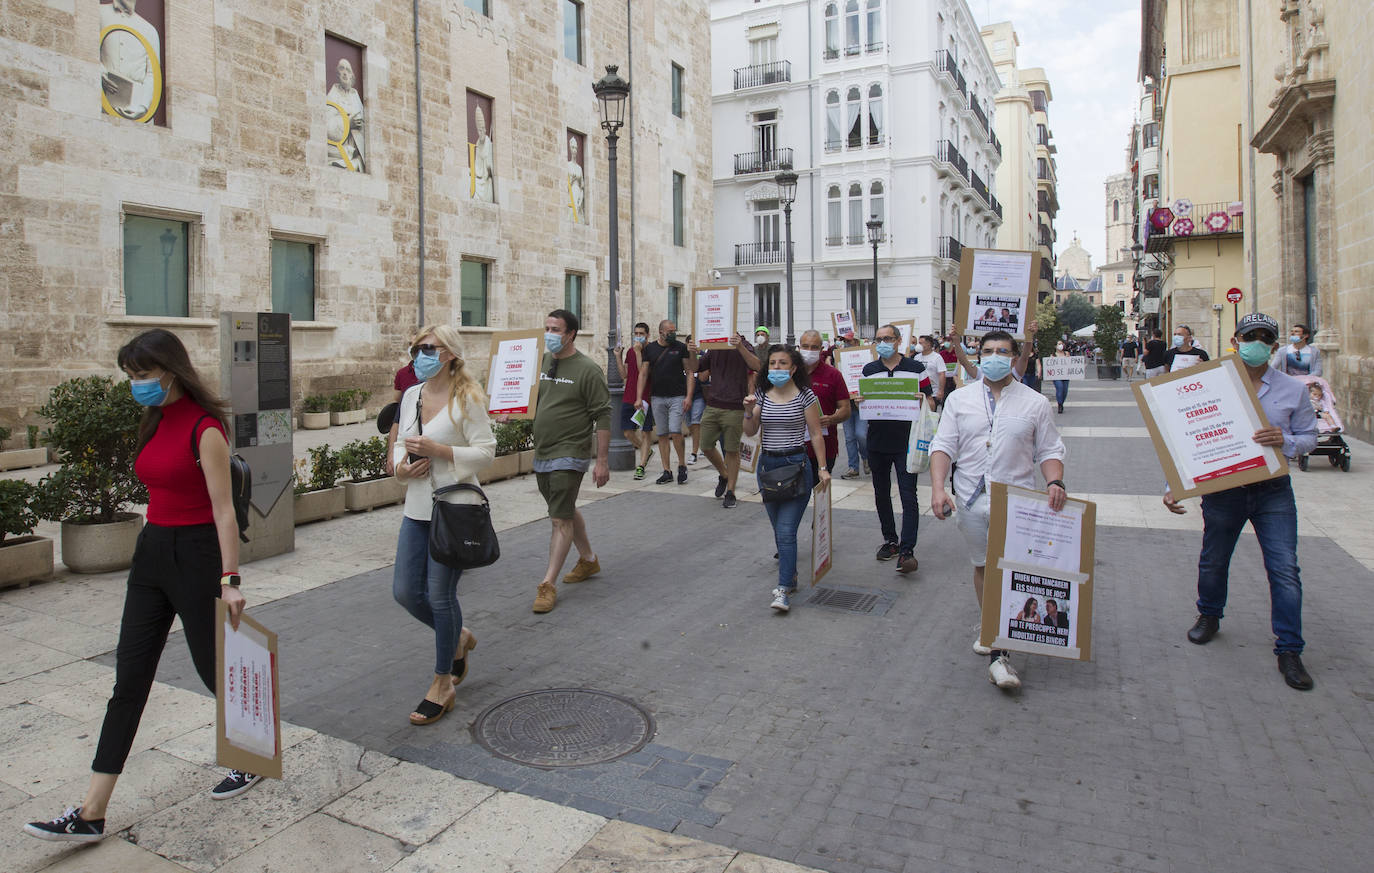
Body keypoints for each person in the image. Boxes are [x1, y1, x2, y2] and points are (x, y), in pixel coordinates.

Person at [24, 329, 257, 844]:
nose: (137, 385)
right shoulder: (154, 422)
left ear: (172, 372)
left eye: (144, 376)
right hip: (152, 553)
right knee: (129, 679)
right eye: (131, 377)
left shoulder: (206, 428)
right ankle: (91, 812)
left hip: (197, 556)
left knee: (211, 668)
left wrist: (231, 579)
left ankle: (252, 750)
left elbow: (223, 511)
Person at [1164, 312, 1318, 691]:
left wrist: (1286, 441)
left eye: (1265, 338)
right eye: (1250, 337)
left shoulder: (1293, 390)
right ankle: (1209, 616)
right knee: (1214, 558)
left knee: (1285, 570)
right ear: (1236, 340)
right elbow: (1188, 434)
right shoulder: (1211, 382)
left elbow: (1310, 437)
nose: (1256, 344)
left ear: (1274, 346)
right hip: (1225, 490)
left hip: (1273, 491)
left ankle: (1290, 649)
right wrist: (1176, 483)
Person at [928, 330, 1068, 692]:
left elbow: (1050, 450)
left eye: (1001, 351)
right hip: (970, 500)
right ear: (977, 354)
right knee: (982, 566)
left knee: (1008, 571)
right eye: (987, 350)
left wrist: (1055, 482)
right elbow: (943, 445)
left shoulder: (1034, 402)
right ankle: (991, 624)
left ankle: (1000, 654)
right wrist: (939, 487)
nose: (993, 356)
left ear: (1014, 356)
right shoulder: (960, 399)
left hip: (1017, 502)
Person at [391, 325, 494, 725]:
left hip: (454, 508)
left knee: (438, 596)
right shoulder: (412, 395)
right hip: (417, 507)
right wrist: (402, 468)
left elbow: (486, 452)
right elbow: (400, 445)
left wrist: (440, 451)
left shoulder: (467, 397)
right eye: (415, 348)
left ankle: (442, 682)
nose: (419, 355)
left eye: (427, 348)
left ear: (449, 353)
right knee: (404, 592)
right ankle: (459, 637)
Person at [530, 310, 612, 614]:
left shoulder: (588, 369)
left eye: (556, 329)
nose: (549, 333)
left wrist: (601, 460)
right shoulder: (542, 362)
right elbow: (532, 399)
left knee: (559, 518)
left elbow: (603, 414)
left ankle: (547, 584)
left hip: (571, 451)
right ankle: (588, 560)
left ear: (571, 334)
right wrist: (512, 410)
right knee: (561, 508)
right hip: (544, 451)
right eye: (547, 327)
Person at [742, 345, 831, 613]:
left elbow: (815, 434)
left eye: (783, 363)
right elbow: (750, 430)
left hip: (795, 465)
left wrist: (823, 468)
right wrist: (747, 411)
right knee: (778, 530)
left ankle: (782, 590)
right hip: (767, 466)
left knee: (785, 531)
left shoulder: (806, 396)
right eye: (773, 363)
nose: (777, 368)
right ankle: (790, 576)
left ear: (793, 369)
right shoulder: (762, 395)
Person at [861, 324, 929, 574]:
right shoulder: (869, 370)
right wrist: (860, 402)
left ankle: (907, 550)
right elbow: (863, 403)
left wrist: (924, 400)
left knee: (908, 496)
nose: (882, 343)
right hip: (877, 441)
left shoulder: (916, 368)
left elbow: (932, 399)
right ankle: (890, 540)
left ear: (899, 341)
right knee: (881, 494)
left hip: (906, 443)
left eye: (887, 338)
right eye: (878, 339)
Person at [689, 332, 760, 509]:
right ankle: (724, 474)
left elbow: (757, 366)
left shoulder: (744, 343)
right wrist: (691, 352)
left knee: (732, 449)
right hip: (713, 404)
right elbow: (695, 367)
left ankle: (731, 491)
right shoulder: (715, 345)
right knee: (705, 446)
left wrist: (739, 346)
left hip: (735, 405)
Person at [638, 319, 691, 485]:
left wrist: (688, 396)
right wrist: (638, 397)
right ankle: (667, 470)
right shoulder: (651, 349)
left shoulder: (681, 348)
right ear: (661, 332)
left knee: (675, 431)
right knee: (661, 434)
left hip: (677, 396)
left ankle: (682, 464)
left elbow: (689, 372)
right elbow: (643, 373)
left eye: (674, 330)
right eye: (670, 331)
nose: (673, 334)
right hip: (657, 397)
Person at [799, 330, 851, 483]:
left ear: (821, 349)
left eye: (814, 347)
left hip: (824, 448)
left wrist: (832, 418)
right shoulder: (789, 372)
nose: (809, 351)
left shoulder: (833, 374)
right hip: (793, 447)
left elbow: (845, 409)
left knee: (820, 495)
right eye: (805, 346)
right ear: (799, 347)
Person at [100, 0, 161, 122]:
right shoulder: (99, 13)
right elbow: (86, 50)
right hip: (103, 104)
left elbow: (152, 74)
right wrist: (99, 71)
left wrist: (143, 107)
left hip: (138, 109)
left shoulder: (149, 30)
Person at [614, 322, 654, 480]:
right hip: (629, 396)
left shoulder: (651, 351)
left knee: (646, 432)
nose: (638, 336)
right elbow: (624, 374)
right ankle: (647, 450)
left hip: (645, 397)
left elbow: (643, 372)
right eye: (636, 333)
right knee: (627, 432)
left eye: (641, 334)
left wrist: (639, 352)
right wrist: (618, 357)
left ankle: (641, 466)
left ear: (647, 335)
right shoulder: (631, 351)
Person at [385, 352, 423, 476]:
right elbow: (397, 426)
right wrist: (394, 458)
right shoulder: (410, 393)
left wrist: (439, 451)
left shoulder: (461, 395)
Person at [325, 58, 366, 171]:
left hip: (355, 146)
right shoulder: (333, 95)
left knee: (357, 163)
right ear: (337, 73)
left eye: (348, 70)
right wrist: (348, 123)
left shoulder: (355, 95)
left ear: (352, 75)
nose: (345, 72)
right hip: (338, 148)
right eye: (341, 68)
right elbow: (327, 127)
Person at [840, 332, 869, 479]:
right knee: (849, 437)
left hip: (862, 404)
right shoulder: (840, 359)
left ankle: (866, 456)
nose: (846, 344)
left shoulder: (867, 359)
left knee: (861, 435)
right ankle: (853, 467)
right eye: (845, 341)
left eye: (849, 341)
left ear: (857, 343)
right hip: (846, 404)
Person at [470, 104, 494, 202]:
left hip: (486, 176)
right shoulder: (477, 143)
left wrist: (488, 169)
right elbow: (477, 162)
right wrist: (474, 172)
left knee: (486, 184)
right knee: (473, 182)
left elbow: (489, 162)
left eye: (482, 130)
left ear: (485, 130)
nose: (481, 133)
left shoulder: (488, 142)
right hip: (480, 175)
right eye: (479, 130)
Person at [566, 135, 585, 223]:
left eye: (576, 148)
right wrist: (571, 181)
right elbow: (566, 185)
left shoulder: (579, 168)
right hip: (571, 192)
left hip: (578, 192)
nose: (574, 150)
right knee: (570, 215)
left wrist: (580, 200)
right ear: (570, 149)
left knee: (578, 216)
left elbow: (582, 187)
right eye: (573, 148)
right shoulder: (568, 165)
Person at [1050, 341, 1071, 413]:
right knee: (1060, 388)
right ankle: (1060, 405)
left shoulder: (1067, 354)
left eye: (1062, 344)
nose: (1061, 345)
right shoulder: (1053, 355)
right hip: (1056, 376)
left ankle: (1061, 403)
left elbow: (1070, 364)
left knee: (1065, 391)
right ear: (1055, 346)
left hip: (1065, 375)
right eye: (1059, 344)